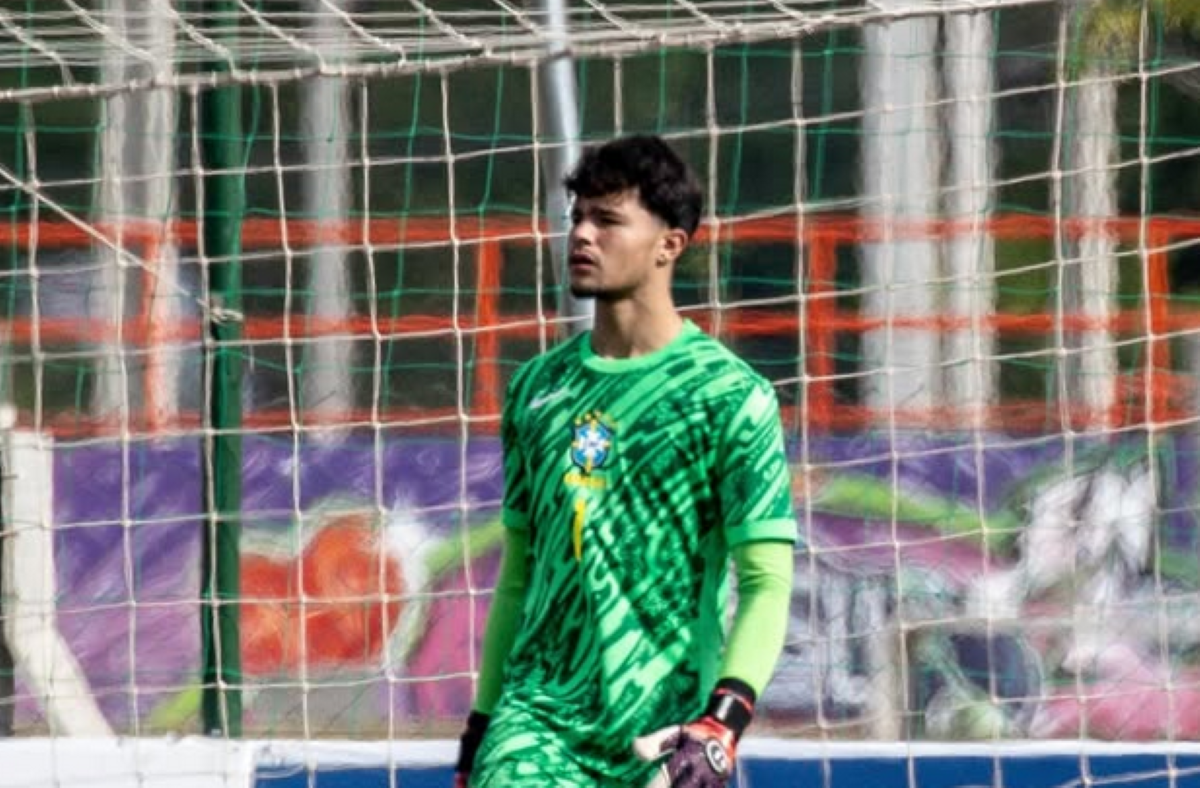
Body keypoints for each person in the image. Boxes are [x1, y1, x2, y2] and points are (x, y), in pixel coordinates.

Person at [452, 134, 796, 788]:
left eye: (607, 220)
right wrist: (482, 728)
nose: (582, 234)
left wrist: (723, 722)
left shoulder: (731, 397)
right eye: (578, 217)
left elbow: (765, 582)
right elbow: (520, 576)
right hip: (537, 726)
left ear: (670, 244)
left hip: (666, 735)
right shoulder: (536, 391)